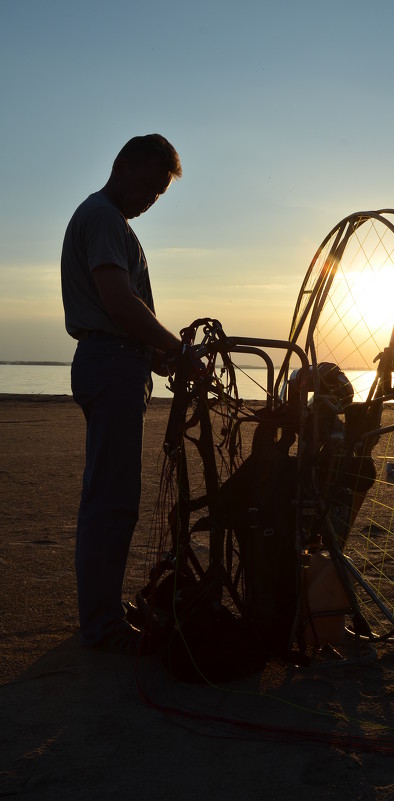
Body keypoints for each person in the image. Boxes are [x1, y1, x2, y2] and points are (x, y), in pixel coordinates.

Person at [61, 134, 183, 652]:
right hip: (111, 363)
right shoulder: (106, 219)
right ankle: (104, 627)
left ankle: (102, 615)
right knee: (111, 500)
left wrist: (156, 356)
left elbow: (122, 312)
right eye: (148, 186)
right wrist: (176, 350)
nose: (149, 200)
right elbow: (119, 304)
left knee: (111, 496)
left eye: (159, 194)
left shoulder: (107, 221)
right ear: (122, 165)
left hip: (116, 362)